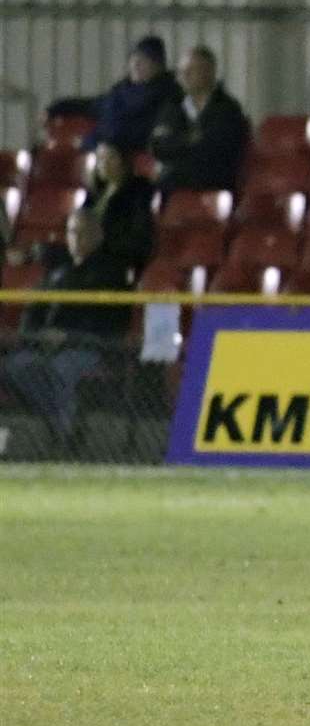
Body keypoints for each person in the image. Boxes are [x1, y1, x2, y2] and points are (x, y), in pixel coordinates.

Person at [5, 208, 132, 441]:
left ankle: (65, 434)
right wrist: (36, 335)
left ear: (98, 235)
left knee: (63, 367)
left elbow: (109, 319)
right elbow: (34, 310)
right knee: (16, 366)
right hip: (47, 345)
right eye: (73, 232)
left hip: (91, 345)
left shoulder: (111, 271)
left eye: (84, 232)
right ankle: (60, 420)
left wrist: (69, 335)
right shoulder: (59, 272)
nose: (77, 238)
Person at [151, 45, 250, 193]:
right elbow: (158, 146)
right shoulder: (173, 105)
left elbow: (215, 150)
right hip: (174, 185)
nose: (183, 76)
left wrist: (177, 142)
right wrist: (190, 139)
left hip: (214, 185)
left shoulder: (227, 109)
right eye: (181, 71)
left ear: (209, 72)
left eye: (190, 71)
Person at [86, 36, 181, 153]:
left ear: (159, 65)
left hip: (128, 153)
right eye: (133, 58)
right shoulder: (121, 89)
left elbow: (143, 131)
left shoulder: (167, 93)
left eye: (143, 60)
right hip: (102, 147)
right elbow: (95, 104)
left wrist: (107, 142)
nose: (136, 64)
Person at [86, 141, 156, 273]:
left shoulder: (138, 190)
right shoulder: (94, 194)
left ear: (123, 160)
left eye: (110, 157)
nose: (103, 163)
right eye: (100, 158)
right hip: (91, 255)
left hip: (117, 257)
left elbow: (137, 233)